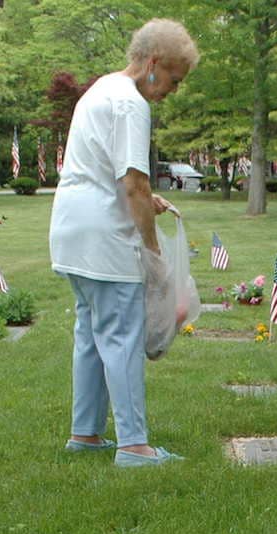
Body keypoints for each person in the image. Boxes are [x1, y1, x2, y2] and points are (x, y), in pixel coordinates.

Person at [49, 18, 199, 467]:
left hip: (70, 231)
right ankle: (135, 446)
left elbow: (105, 170)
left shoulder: (99, 90)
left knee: (91, 336)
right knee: (122, 336)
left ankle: (86, 433)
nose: (173, 90)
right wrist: (152, 250)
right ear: (154, 64)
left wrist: (142, 198)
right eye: (174, 79)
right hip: (104, 239)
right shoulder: (132, 104)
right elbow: (132, 182)